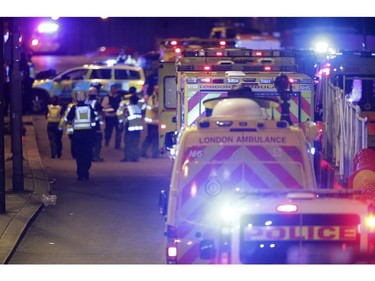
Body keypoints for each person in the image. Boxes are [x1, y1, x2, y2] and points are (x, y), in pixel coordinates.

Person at [66, 91, 96, 181]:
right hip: (88, 134)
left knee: (79, 155)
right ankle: (85, 172)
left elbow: (69, 120)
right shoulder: (89, 108)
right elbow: (94, 120)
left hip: (77, 135)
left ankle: (80, 174)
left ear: (76, 98)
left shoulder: (74, 108)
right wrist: (93, 131)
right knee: (88, 155)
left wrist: (70, 133)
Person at [120, 93, 143, 162]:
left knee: (128, 143)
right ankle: (135, 157)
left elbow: (125, 117)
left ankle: (127, 157)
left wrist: (121, 124)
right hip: (137, 128)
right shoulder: (139, 107)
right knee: (136, 143)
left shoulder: (128, 108)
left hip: (130, 127)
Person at [101, 84, 123, 149]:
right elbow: (103, 106)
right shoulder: (106, 97)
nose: (113, 90)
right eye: (112, 89)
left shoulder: (119, 97)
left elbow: (121, 106)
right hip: (109, 116)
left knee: (119, 131)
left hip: (117, 117)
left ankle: (117, 145)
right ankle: (107, 141)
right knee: (108, 131)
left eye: (114, 89)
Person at [141, 85, 160, 159]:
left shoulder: (157, 97)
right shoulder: (152, 97)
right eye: (156, 89)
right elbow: (153, 108)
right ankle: (154, 154)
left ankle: (143, 152)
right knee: (154, 138)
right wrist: (159, 105)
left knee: (150, 137)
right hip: (151, 121)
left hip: (154, 121)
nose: (157, 90)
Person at [86, 86, 104, 162]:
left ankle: (88, 156)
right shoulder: (96, 102)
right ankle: (95, 156)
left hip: (87, 125)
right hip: (95, 125)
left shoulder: (85, 102)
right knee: (97, 141)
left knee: (89, 142)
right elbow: (100, 110)